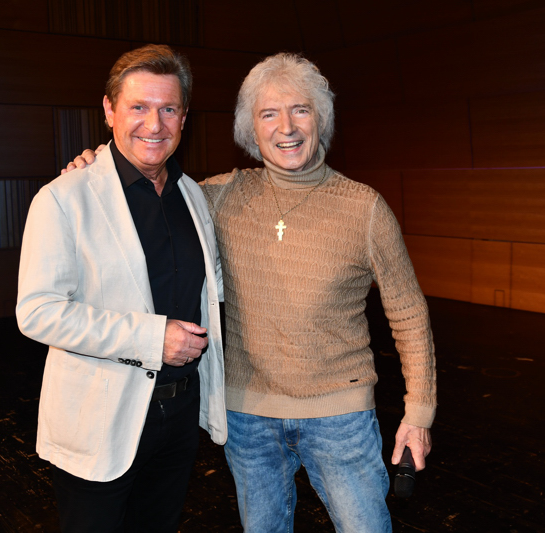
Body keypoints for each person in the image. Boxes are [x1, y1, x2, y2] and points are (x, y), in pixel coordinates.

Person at [68, 53, 436, 533]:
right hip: (247, 419)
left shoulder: (365, 209)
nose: (287, 127)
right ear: (250, 130)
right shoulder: (217, 197)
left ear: (321, 119)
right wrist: (95, 165)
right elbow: (141, 184)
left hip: (340, 417)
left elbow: (408, 313)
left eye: (301, 109)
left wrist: (419, 413)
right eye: (269, 114)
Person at [16, 44, 226, 533]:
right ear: (109, 111)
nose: (154, 124)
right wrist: (152, 338)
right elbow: (38, 312)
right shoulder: (63, 197)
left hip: (179, 415)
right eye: (138, 107)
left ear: (184, 117)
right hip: (99, 421)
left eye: (168, 109)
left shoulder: (194, 195)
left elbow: (211, 286)